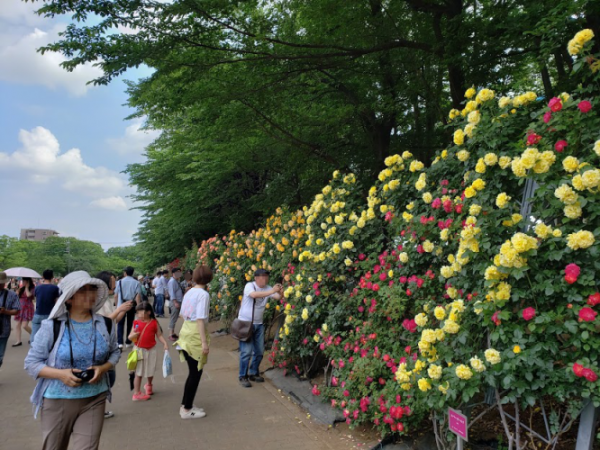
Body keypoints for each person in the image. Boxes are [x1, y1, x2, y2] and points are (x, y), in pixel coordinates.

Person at [24, 271, 121, 450]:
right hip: (57, 400)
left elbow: (115, 352)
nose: (90, 294)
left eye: (92, 289)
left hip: (95, 398)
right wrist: (61, 374)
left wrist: (104, 368)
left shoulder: (106, 324)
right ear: (68, 298)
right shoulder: (51, 326)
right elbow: (31, 363)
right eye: (82, 290)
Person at [95, 271, 135, 419]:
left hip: (108, 344)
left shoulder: (106, 299)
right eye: (112, 281)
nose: (115, 283)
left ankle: (99, 408)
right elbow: (102, 323)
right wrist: (119, 309)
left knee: (109, 378)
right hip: (101, 345)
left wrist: (123, 310)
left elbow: (113, 322)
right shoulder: (98, 301)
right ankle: (96, 410)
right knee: (106, 377)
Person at [175, 265, 213, 419]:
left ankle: (187, 404)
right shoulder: (203, 295)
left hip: (185, 332)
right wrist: (204, 343)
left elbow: (182, 315)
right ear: (209, 278)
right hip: (195, 335)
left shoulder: (189, 291)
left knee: (193, 372)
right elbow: (200, 319)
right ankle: (186, 409)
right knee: (195, 373)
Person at [238, 269, 282, 387]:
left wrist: (280, 291)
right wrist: (272, 290)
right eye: (263, 277)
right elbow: (254, 295)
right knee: (246, 352)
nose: (265, 279)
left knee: (259, 351)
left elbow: (277, 297)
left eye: (267, 276)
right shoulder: (249, 286)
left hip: (259, 324)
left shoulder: (268, 288)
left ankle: (253, 372)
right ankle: (243, 376)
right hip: (245, 323)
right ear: (256, 278)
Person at [128, 302, 168, 401]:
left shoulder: (154, 323)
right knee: (139, 372)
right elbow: (130, 336)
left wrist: (165, 343)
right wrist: (134, 335)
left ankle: (149, 385)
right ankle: (136, 393)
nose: (139, 315)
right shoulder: (136, 323)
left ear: (149, 312)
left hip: (151, 350)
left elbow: (159, 335)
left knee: (150, 369)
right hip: (139, 350)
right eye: (137, 313)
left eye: (141, 313)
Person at [114, 267, 142, 349]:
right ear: (132, 273)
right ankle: (128, 342)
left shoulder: (119, 282)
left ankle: (120, 343)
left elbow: (115, 295)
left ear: (125, 273)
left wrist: (116, 306)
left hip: (121, 305)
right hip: (131, 305)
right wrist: (139, 307)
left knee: (120, 323)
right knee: (130, 323)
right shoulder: (136, 282)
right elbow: (138, 296)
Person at [32, 270, 60, 344]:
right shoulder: (55, 288)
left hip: (38, 314)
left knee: (34, 336)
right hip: (49, 314)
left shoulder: (37, 288)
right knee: (49, 336)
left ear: (43, 277)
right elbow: (57, 302)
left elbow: (36, 298)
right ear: (52, 277)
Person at [0, 271, 20, 370]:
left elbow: (16, 311)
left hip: (3, 329)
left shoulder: (12, 295)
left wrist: (5, 312)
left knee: (0, 356)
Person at [13, 277, 35, 346]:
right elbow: (16, 296)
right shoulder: (21, 288)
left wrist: (26, 287)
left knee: (25, 325)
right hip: (20, 307)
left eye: (24, 281)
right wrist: (17, 291)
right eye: (22, 280)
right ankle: (18, 341)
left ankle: (34, 336)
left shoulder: (32, 288)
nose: (23, 282)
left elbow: (28, 295)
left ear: (28, 281)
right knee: (17, 325)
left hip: (27, 307)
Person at [167, 268, 184, 341]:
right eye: (178, 273)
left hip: (178, 301)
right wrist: (175, 302)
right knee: (173, 317)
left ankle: (172, 333)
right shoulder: (172, 281)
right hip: (175, 302)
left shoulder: (176, 281)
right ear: (173, 273)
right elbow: (172, 293)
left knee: (175, 317)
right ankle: (170, 334)